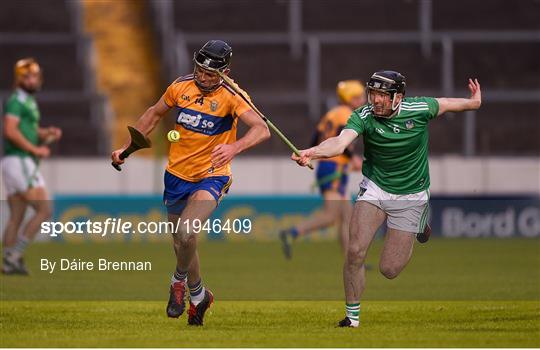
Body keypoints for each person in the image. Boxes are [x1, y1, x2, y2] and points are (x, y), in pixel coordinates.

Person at [292, 70, 481, 327]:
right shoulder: (364, 116)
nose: (376, 100)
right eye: (373, 94)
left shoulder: (419, 108)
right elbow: (339, 142)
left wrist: (474, 102)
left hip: (411, 194)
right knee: (355, 251)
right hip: (375, 188)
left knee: (389, 270)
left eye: (383, 95)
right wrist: (312, 152)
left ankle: (420, 222)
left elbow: (447, 103)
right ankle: (352, 318)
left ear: (398, 97)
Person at [111, 40, 270, 327]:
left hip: (212, 175)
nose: (203, 77)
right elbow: (153, 114)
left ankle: (177, 282)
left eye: (211, 74)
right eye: (199, 70)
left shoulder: (234, 96)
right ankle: (199, 296)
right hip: (176, 176)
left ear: (225, 72)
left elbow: (262, 129)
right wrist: (126, 147)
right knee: (183, 243)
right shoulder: (179, 86)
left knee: (186, 231)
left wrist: (234, 148)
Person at [279, 80, 365, 259]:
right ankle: (292, 232)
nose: (363, 101)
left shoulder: (332, 113)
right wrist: (353, 159)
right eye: (360, 97)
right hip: (334, 167)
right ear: (352, 98)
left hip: (329, 166)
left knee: (347, 217)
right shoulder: (347, 114)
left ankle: (353, 261)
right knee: (331, 216)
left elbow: (314, 141)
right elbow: (345, 145)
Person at [2, 58, 62, 275]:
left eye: (35, 76)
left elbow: (28, 130)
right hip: (19, 160)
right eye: (27, 76)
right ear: (18, 79)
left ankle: (10, 263)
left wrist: (45, 133)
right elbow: (10, 130)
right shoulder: (16, 101)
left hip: (14, 161)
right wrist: (35, 150)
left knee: (16, 215)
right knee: (45, 209)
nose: (32, 80)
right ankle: (15, 255)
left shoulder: (27, 101)